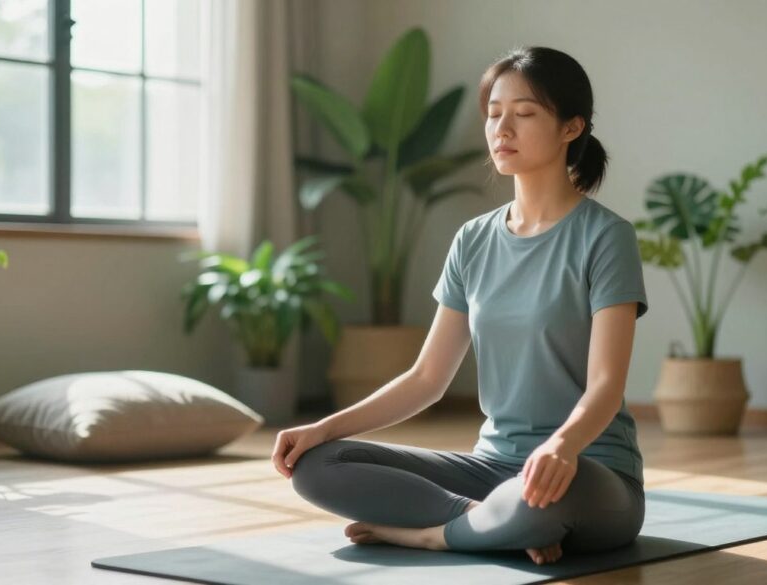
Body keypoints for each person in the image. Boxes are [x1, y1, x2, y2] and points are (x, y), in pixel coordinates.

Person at [271, 45, 648, 566]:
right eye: (494, 114)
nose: (502, 129)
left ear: (571, 128)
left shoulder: (607, 237)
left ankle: (428, 534)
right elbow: (427, 378)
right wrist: (324, 427)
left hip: (588, 470)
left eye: (524, 114)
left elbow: (606, 387)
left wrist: (561, 446)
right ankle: (489, 520)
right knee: (318, 465)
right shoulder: (473, 240)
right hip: (491, 469)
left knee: (549, 497)